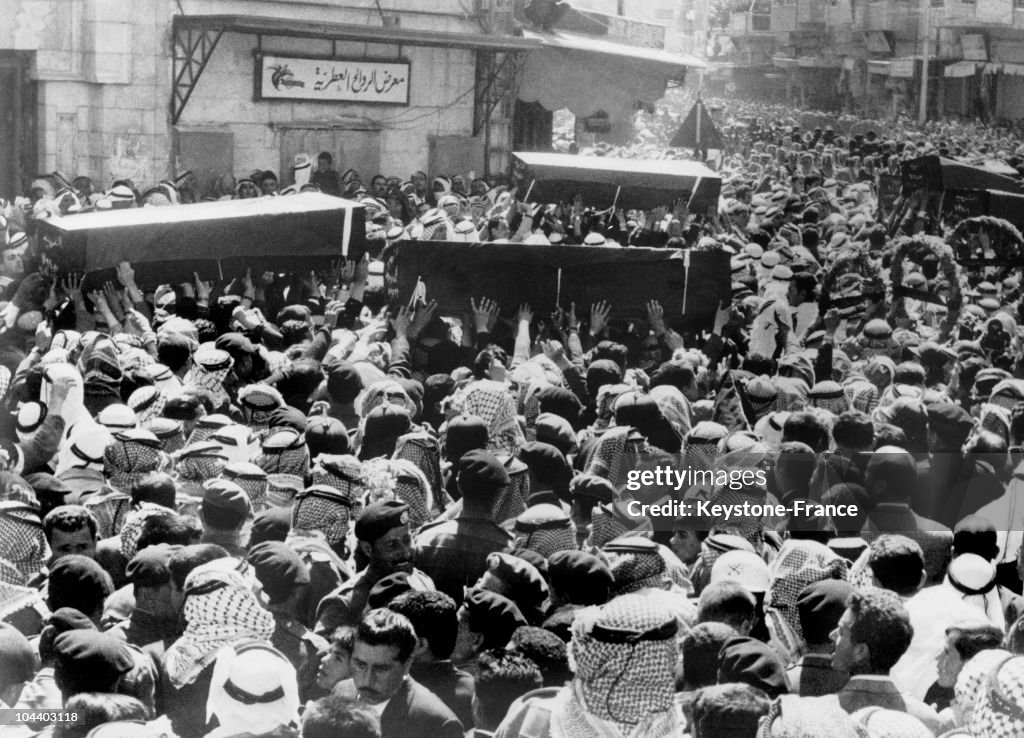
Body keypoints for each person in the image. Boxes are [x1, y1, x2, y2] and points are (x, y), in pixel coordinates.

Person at [824, 587, 941, 733]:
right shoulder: (928, 719)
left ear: (861, 651)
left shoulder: (824, 715)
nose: (832, 635)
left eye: (841, 631)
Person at [316, 500, 434, 633]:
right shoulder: (343, 604)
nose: (405, 552)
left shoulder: (422, 581)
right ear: (367, 549)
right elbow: (323, 652)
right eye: (391, 544)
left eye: (407, 540)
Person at [344, 608, 464, 738]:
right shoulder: (341, 692)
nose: (367, 680)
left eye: (381, 668)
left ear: (407, 665)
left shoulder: (438, 725)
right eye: (360, 664)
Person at [387, 590, 474, 729]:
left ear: (420, 645)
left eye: (394, 636)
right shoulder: (474, 692)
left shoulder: (389, 689)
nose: (386, 642)